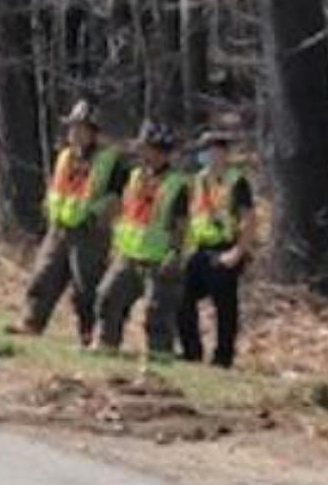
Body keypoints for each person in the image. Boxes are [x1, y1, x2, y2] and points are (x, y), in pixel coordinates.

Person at [9, 100, 127, 346]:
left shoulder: (111, 160)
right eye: (71, 127)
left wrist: (98, 214)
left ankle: (89, 335)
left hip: (89, 233)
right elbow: (56, 186)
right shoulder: (64, 156)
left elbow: (120, 197)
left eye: (79, 127)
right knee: (43, 275)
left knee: (86, 287)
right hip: (59, 228)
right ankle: (31, 322)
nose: (73, 132)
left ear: (93, 131)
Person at [94, 121, 189, 359]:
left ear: (161, 152)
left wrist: (175, 253)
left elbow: (181, 224)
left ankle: (160, 355)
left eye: (148, 149)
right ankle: (106, 344)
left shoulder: (177, 184)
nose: (143, 153)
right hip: (128, 254)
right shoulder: (134, 176)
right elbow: (124, 209)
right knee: (107, 296)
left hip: (159, 259)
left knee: (155, 312)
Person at [177, 130, 255, 368]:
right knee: (182, 296)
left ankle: (223, 357)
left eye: (211, 151)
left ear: (222, 153)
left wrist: (238, 252)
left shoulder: (236, 181)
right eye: (204, 151)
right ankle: (191, 351)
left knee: (224, 306)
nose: (206, 156)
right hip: (200, 248)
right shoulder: (198, 180)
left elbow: (247, 219)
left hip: (225, 248)